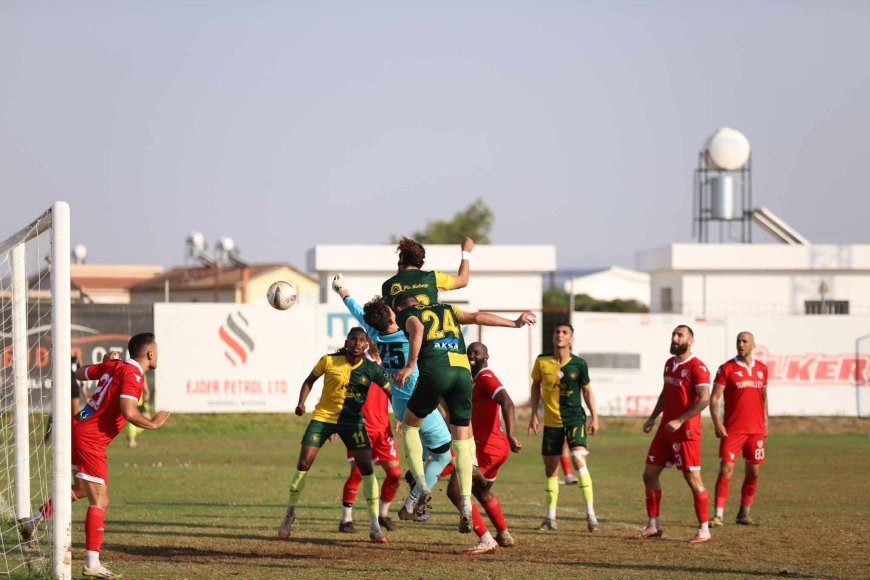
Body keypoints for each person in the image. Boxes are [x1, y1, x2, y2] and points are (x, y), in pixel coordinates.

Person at [20, 333, 171, 579]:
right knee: (100, 500)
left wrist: (103, 363)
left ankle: (34, 520)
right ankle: (92, 562)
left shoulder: (114, 364)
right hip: (91, 439)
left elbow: (79, 374)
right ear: (150, 354)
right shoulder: (132, 374)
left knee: (81, 489)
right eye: (157, 351)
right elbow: (129, 411)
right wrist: (152, 424)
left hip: (77, 427)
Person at [393, 294, 536, 535]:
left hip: (436, 372)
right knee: (461, 445)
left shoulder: (408, 314)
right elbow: (478, 317)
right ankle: (466, 508)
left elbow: (417, 328)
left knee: (410, 427)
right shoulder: (447, 308)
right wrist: (514, 323)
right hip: (460, 376)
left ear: (399, 308)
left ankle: (421, 486)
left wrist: (410, 364)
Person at [332, 275, 454, 522]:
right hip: (417, 402)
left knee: (422, 448)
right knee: (443, 454)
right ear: (391, 317)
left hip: (398, 405)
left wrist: (343, 292)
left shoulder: (374, 332)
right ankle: (413, 502)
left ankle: (416, 478)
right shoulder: (408, 335)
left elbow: (358, 312)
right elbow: (424, 329)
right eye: (391, 310)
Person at [278, 327, 392, 544]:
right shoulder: (329, 361)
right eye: (353, 339)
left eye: (361, 340)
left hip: (353, 422)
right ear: (347, 341)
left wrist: (405, 414)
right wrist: (301, 403)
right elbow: (309, 380)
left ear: (366, 345)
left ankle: (374, 524)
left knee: (367, 469)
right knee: (303, 463)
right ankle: (288, 514)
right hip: (323, 419)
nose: (357, 343)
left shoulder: (371, 369)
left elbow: (390, 391)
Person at [639, 325, 712, 544]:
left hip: (686, 431)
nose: (674, 338)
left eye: (680, 335)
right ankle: (653, 525)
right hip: (665, 429)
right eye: (673, 334)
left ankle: (704, 529)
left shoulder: (698, 367)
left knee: (692, 478)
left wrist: (680, 420)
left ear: (690, 341)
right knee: (649, 474)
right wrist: (653, 417)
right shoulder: (669, 364)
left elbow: (704, 398)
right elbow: (665, 392)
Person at [446, 342, 521, 555]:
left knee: (455, 490)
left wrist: (511, 434)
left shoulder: (486, 377)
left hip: (487, 447)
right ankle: (504, 534)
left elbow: (507, 402)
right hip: (495, 448)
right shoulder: (474, 380)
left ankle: (486, 540)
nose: (472, 355)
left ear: (486, 356)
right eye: (469, 352)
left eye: (476, 352)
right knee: (481, 491)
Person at [528, 323, 600, 532]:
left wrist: (594, 417)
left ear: (571, 339)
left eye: (564, 332)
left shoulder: (579, 364)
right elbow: (535, 386)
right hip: (551, 423)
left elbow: (587, 391)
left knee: (579, 460)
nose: (559, 335)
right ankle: (550, 518)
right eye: (556, 331)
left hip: (575, 419)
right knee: (551, 470)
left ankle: (591, 515)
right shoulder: (542, 361)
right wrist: (534, 414)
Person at [339, 340, 402, 534]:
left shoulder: (389, 364)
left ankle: (383, 515)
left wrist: (400, 414)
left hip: (383, 428)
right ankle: (346, 520)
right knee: (358, 473)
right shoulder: (357, 362)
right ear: (368, 342)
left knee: (395, 475)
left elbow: (395, 392)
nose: (379, 341)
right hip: (360, 426)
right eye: (374, 338)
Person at [710, 331, 768, 526]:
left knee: (754, 472)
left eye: (745, 341)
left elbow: (764, 397)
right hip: (733, 430)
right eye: (738, 341)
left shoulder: (762, 369)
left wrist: (765, 423)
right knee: (726, 469)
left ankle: (744, 513)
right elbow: (714, 398)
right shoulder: (726, 368)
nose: (741, 344)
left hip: (756, 430)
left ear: (753, 345)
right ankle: (718, 515)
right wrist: (717, 423)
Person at [381, 236, 474, 306]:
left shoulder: (387, 285)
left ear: (401, 259)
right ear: (421, 263)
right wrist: (465, 252)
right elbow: (463, 281)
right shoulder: (432, 277)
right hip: (430, 331)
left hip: (402, 332)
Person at [125, 374, 151, 448]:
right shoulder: (138, 368)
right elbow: (143, 381)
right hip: (133, 399)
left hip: (139, 400)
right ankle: (131, 440)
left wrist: (146, 392)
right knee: (133, 420)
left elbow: (143, 381)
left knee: (147, 419)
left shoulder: (140, 369)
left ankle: (131, 435)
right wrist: (147, 391)